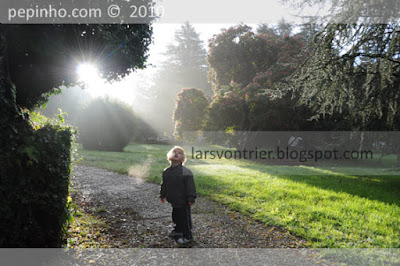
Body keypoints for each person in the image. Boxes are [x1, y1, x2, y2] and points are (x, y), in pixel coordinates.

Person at [160, 146, 197, 245]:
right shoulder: (166, 171)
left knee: (185, 219)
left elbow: (190, 186)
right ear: (169, 156)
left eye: (179, 153)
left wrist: (191, 197)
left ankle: (187, 235)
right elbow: (164, 184)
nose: (176, 153)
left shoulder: (186, 172)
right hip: (174, 200)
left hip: (184, 201)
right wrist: (162, 195)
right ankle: (178, 230)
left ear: (183, 158)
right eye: (174, 152)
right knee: (175, 216)